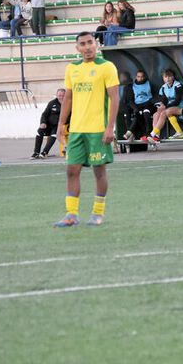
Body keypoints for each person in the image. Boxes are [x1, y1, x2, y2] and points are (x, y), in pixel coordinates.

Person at [54, 32, 120, 227]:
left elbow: (115, 98)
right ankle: (71, 214)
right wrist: (60, 124)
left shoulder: (106, 67)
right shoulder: (72, 69)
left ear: (96, 44)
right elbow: (68, 98)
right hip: (77, 130)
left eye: (90, 42)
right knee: (71, 170)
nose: (87, 47)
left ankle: (97, 213)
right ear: (78, 49)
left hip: (98, 129)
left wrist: (110, 127)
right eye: (83, 44)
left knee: (99, 171)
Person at [142, 69, 183, 143]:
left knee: (164, 112)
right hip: (169, 107)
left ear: (173, 77)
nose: (168, 79)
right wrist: (162, 106)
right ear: (163, 78)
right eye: (166, 77)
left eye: (169, 76)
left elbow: (177, 101)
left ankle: (152, 134)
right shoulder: (163, 87)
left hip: (180, 106)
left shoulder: (178, 85)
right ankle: (156, 136)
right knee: (156, 114)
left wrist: (166, 106)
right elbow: (164, 100)